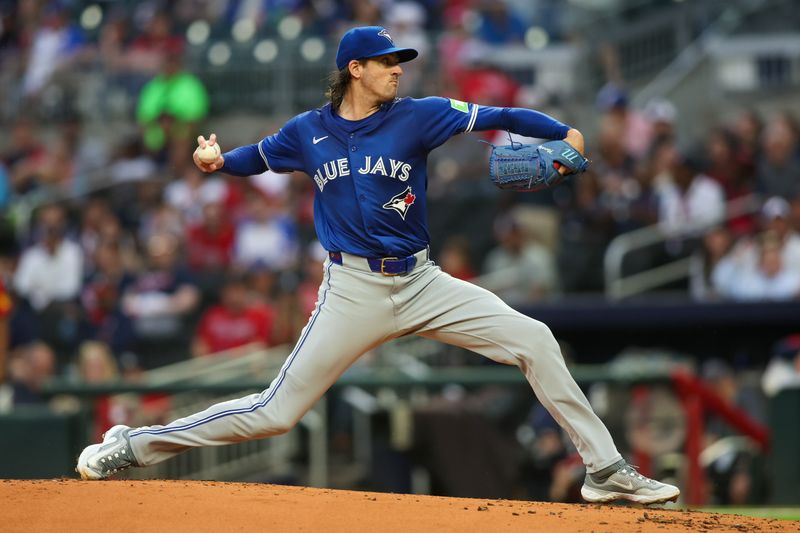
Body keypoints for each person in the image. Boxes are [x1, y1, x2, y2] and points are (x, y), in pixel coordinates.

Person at [76, 25, 679, 505]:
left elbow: (500, 117)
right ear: (354, 70)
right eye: (387, 61)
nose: (398, 69)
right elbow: (256, 158)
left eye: (401, 61)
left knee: (535, 339)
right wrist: (216, 160)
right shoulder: (306, 131)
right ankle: (136, 443)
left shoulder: (418, 114)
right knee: (275, 413)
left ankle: (605, 470)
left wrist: (566, 133)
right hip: (352, 290)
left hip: (423, 281)